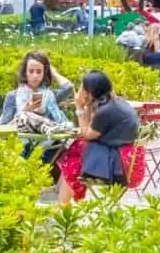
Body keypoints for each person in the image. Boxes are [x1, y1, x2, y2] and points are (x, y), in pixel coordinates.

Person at [55, 71, 146, 203]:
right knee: (75, 152)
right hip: (131, 160)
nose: (80, 91)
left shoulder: (105, 111)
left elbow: (87, 134)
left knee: (73, 154)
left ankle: (63, 205)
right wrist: (87, 106)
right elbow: (88, 130)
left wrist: (79, 107)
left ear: (89, 91)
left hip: (122, 168)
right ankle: (64, 199)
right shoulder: (116, 102)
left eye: (82, 87)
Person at [0, 51, 73, 128]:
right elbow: (1, 128)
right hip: (21, 138)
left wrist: (54, 73)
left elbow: (69, 87)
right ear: (25, 72)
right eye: (31, 71)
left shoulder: (50, 95)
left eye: (39, 71)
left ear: (44, 73)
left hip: (48, 138)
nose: (35, 75)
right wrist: (24, 114)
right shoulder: (13, 96)